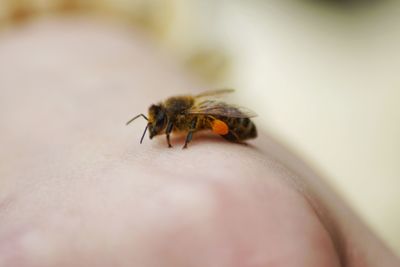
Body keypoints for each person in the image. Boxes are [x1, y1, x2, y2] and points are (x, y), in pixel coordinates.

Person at [0, 18, 398, 267]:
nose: (156, 129)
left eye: (159, 124)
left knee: (217, 125)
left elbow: (209, 120)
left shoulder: (189, 120)